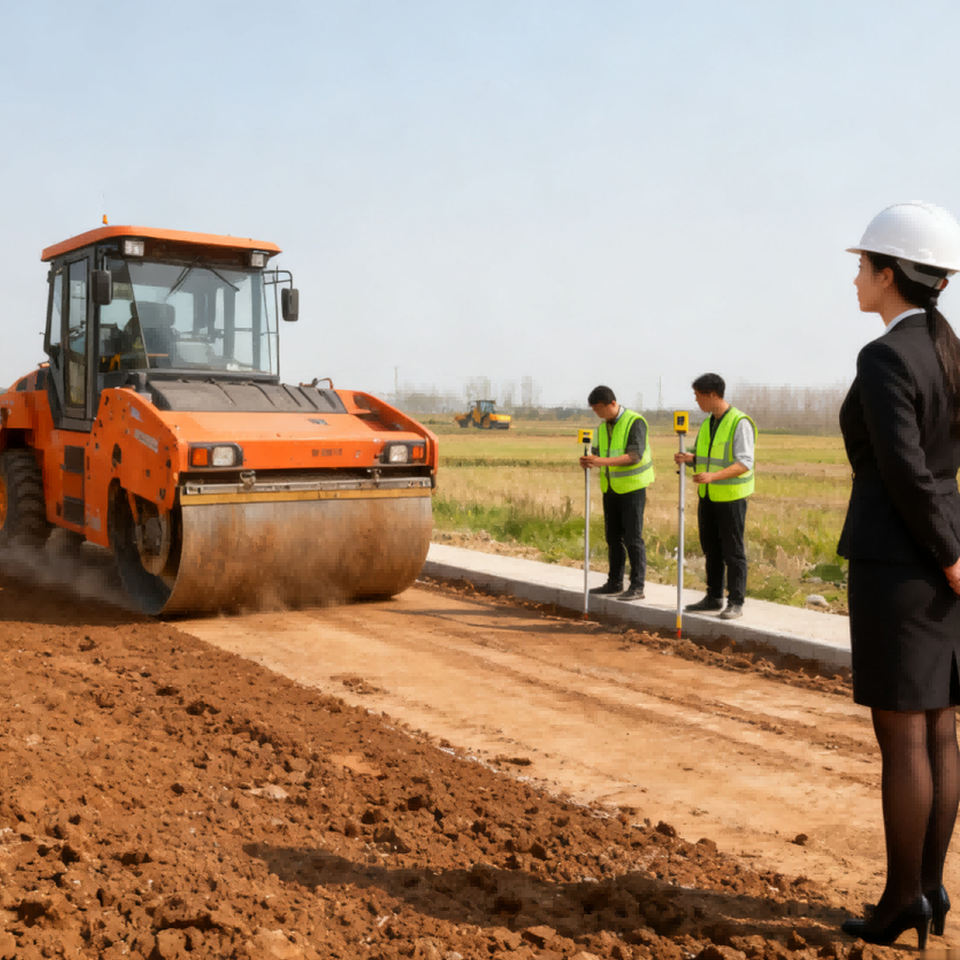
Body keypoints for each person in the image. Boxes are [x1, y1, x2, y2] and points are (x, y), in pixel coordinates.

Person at [837, 202, 960, 950]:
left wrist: (947, 555)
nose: (855, 277)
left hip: (901, 563)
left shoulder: (885, 357)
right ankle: (931, 888)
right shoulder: (949, 349)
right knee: (941, 726)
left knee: (904, 737)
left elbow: (904, 472)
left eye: (862, 265)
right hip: (940, 557)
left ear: (890, 274)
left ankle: (900, 901)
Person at [673, 373, 756, 620]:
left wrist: (713, 476)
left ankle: (736, 602)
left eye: (698, 396)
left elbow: (744, 462)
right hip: (708, 496)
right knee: (711, 548)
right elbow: (709, 457)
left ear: (711, 395)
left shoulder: (739, 422)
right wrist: (691, 459)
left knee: (733, 551)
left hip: (731, 497)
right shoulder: (708, 423)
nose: (696, 400)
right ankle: (714, 596)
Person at [579, 385, 654, 600]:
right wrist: (588, 460)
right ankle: (614, 582)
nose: (598, 413)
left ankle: (637, 586)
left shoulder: (635, 422)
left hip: (632, 488)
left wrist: (600, 461)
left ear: (612, 403)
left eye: (599, 409)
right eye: (594, 410)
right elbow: (597, 453)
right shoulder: (602, 428)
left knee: (632, 538)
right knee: (613, 538)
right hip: (611, 488)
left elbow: (634, 456)